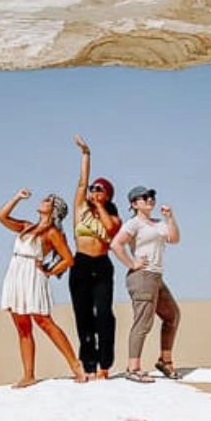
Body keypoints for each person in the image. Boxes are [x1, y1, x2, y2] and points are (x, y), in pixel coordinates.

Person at [0, 189, 85, 388]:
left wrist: (48, 271)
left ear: (53, 210)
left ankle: (75, 365)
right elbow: (1, 217)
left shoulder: (52, 232)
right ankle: (28, 375)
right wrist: (17, 197)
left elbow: (68, 259)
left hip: (33, 276)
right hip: (15, 274)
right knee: (22, 327)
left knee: (44, 321)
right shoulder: (26, 227)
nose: (42, 201)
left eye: (48, 201)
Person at [110, 186, 181, 383]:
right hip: (142, 276)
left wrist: (170, 218)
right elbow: (116, 244)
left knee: (172, 315)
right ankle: (133, 368)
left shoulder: (158, 223)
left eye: (151, 196)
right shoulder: (134, 223)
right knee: (143, 322)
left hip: (157, 276)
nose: (150, 199)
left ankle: (164, 361)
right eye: (145, 197)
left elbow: (174, 239)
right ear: (134, 204)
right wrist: (132, 263)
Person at [69, 135, 122, 379]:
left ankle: (104, 365)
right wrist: (86, 154)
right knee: (83, 315)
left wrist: (100, 205)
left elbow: (112, 230)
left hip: (101, 265)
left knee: (103, 313)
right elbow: (82, 182)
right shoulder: (81, 207)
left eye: (99, 189)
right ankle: (88, 364)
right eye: (93, 188)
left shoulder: (111, 215)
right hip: (80, 263)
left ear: (107, 195)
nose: (93, 191)